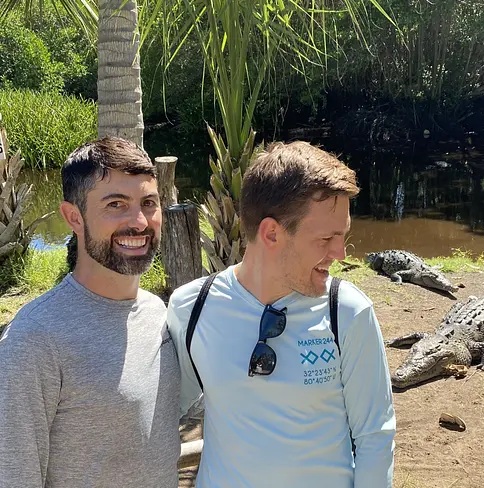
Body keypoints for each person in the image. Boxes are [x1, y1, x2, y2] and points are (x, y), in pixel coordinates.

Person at [167, 140, 396, 488]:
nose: (340, 252)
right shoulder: (192, 307)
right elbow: (161, 418)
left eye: (343, 235)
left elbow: (375, 435)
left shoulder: (347, 312)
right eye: (326, 239)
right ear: (272, 233)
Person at [0, 137, 181, 488]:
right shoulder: (33, 340)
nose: (140, 222)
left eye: (149, 203)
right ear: (73, 217)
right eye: (116, 204)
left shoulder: (158, 313)